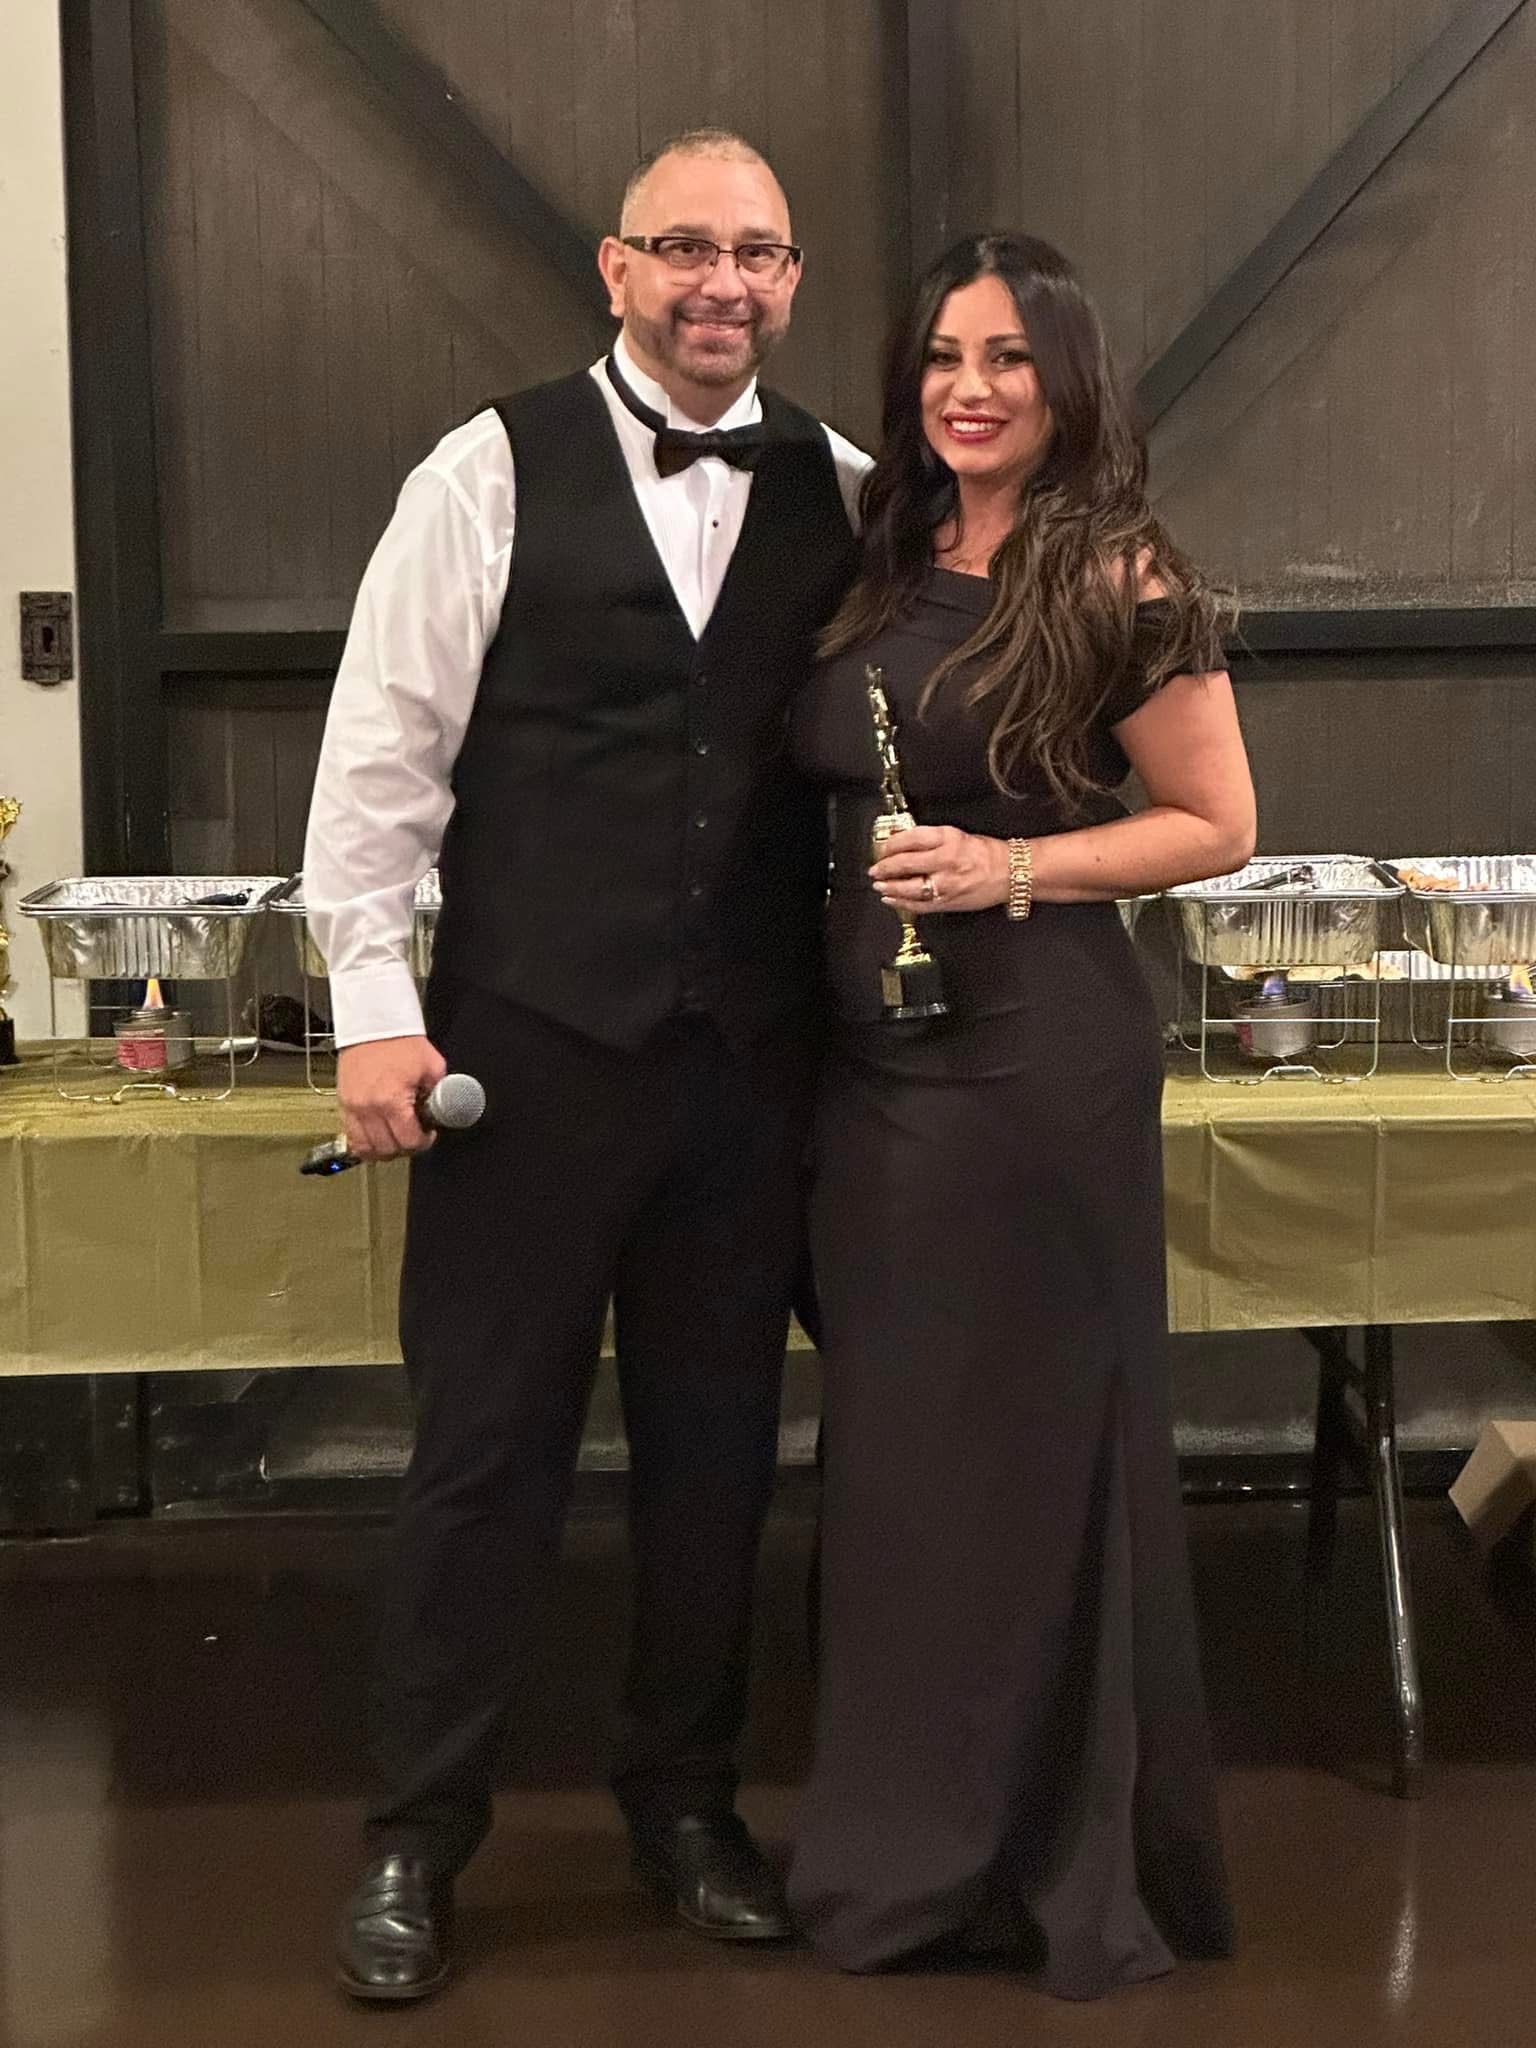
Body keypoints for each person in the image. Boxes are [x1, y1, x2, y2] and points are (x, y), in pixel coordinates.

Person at [303, 129, 869, 2003]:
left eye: (758, 254)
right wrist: (372, 1001)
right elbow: (382, 757)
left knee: (717, 1459)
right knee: (482, 1458)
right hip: (526, 1058)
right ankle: (416, 1835)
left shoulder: (851, 493)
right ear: (615, 268)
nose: (725, 283)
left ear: (792, 282)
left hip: (750, 1073)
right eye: (686, 248)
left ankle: (686, 1804)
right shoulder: (482, 468)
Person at [785, 232, 1254, 1996]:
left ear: (1067, 381)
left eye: (1006, 358)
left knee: (1039, 1459)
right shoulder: (881, 554)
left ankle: (1053, 1859)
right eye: (942, 356)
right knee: (906, 1470)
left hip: (1035, 1065)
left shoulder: (1122, 570)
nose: (969, 389)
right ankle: (911, 1852)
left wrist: (1014, 869)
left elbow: (1219, 825)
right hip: (875, 1074)